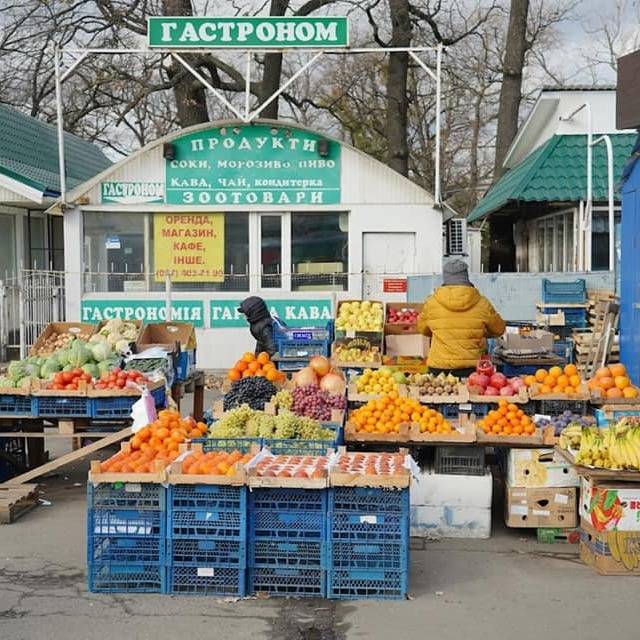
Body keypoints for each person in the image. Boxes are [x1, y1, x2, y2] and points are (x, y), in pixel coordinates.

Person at [417, 259, 505, 377]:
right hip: (471, 370)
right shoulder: (482, 303)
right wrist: (479, 331)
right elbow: (499, 329)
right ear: (466, 277)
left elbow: (422, 329)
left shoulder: (431, 302)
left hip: (439, 368)